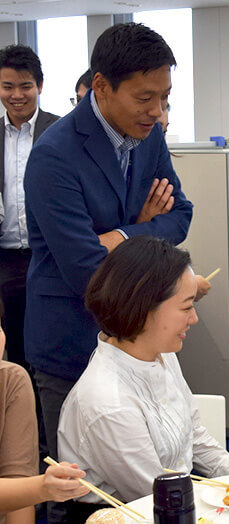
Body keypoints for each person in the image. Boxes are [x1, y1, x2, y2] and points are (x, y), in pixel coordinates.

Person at [23, 23, 201, 488]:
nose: (158, 112)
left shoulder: (149, 137)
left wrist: (120, 234)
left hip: (138, 345)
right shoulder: (54, 155)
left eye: (165, 97)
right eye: (145, 98)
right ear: (100, 86)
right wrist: (144, 230)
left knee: (161, 466)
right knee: (80, 490)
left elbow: (180, 215)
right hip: (73, 337)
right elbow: (86, 270)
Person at [57, 236, 229, 518]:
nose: (194, 319)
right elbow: (154, 493)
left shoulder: (161, 352)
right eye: (186, 307)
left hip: (175, 500)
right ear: (143, 308)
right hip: (134, 513)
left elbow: (193, 432)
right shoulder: (107, 400)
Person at [0, 45, 59, 447]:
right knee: (11, 350)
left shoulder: (59, 131)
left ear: (39, 86)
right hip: (4, 260)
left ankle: (47, 438)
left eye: (24, 86)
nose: (16, 95)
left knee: (45, 350)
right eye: (6, 86)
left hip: (48, 257)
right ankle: (20, 442)